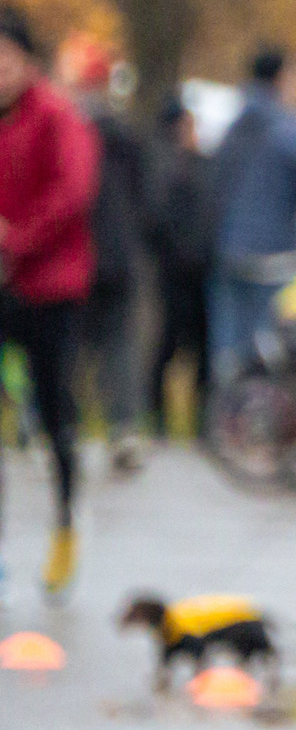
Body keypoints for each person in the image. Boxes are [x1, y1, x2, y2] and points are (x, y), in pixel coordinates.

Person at [0, 4, 99, 597]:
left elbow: (73, 191)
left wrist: (15, 238)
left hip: (48, 286)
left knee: (53, 412)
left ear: (28, 61)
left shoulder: (56, 116)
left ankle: (64, 527)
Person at [59, 35, 148, 472]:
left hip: (77, 251)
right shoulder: (124, 131)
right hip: (117, 252)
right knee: (118, 345)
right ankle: (123, 427)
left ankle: (61, 424)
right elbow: (141, 193)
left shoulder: (65, 127)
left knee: (70, 344)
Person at [206, 45, 296, 383]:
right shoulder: (286, 127)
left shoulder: (233, 125)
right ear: (282, 77)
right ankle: (262, 421)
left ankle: (226, 419)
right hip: (276, 253)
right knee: (270, 346)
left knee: (228, 346)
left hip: (229, 249)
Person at [144, 95, 217, 438]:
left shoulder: (198, 164)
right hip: (176, 272)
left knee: (198, 347)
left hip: (196, 272)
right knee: (171, 345)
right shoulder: (166, 166)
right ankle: (159, 418)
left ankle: (197, 420)